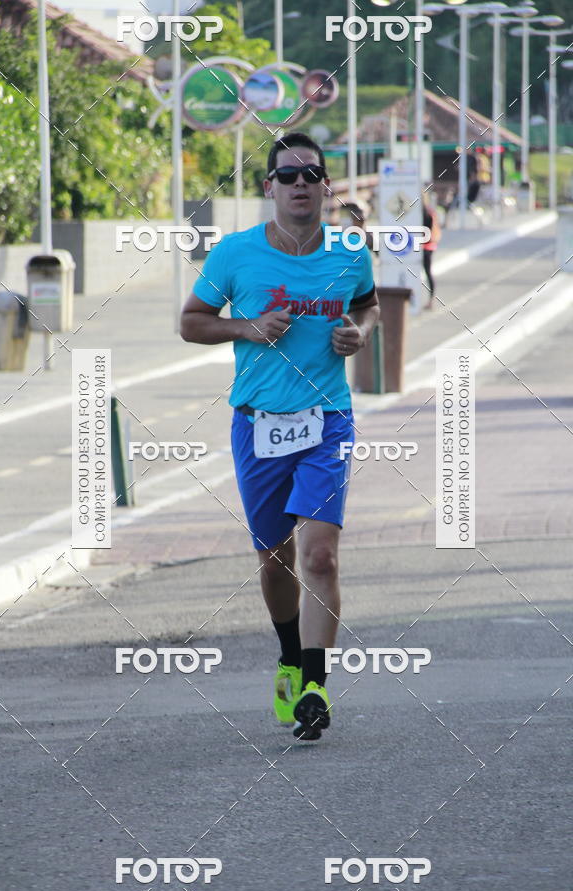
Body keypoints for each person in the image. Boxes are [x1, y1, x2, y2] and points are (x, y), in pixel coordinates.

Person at [180, 132, 379, 741]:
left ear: (326, 186)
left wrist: (359, 333)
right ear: (268, 187)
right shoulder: (235, 255)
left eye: (309, 175)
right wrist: (249, 327)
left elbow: (367, 306)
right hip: (258, 425)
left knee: (320, 554)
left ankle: (316, 685)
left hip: (328, 421)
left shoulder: (350, 250)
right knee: (275, 558)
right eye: (286, 176)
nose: (299, 185)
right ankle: (290, 653)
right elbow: (191, 323)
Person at [422, 200, 441, 311]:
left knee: (427, 272)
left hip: (426, 246)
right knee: (427, 272)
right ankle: (431, 299)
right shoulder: (429, 211)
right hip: (429, 245)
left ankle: (431, 299)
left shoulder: (426, 213)